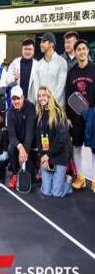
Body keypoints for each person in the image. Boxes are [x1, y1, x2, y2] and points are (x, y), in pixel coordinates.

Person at [65, 39, 95, 189]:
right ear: (75, 53)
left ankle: (94, 179)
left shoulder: (94, 69)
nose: (82, 51)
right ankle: (81, 177)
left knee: (94, 148)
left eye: (84, 49)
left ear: (87, 51)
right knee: (76, 146)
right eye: (79, 49)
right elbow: (67, 95)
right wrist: (68, 116)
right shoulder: (71, 73)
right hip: (76, 116)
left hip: (93, 115)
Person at [36, 86, 72, 197]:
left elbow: (62, 139)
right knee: (46, 192)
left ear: (49, 96)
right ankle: (55, 181)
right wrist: (43, 157)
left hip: (59, 156)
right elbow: (39, 139)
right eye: (39, 96)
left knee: (56, 193)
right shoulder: (40, 115)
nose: (41, 98)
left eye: (44, 95)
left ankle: (68, 183)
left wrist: (48, 155)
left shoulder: (59, 113)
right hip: (47, 156)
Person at [5, 86, 37, 189]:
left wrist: (25, 150)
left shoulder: (30, 108)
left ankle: (35, 168)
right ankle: (15, 174)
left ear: (22, 98)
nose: (16, 101)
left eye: (18, 98)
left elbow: (30, 131)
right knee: (10, 148)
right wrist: (20, 147)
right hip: (18, 143)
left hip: (30, 142)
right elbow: (12, 136)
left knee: (32, 177)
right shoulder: (9, 112)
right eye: (13, 99)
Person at [33, 32, 68, 107]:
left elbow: (60, 87)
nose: (41, 44)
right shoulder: (38, 64)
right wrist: (41, 103)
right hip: (42, 107)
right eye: (40, 42)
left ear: (51, 44)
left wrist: (50, 103)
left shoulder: (62, 62)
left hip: (57, 107)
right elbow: (36, 88)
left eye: (44, 42)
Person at [6, 39, 38, 104]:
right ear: (22, 50)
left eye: (30, 49)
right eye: (25, 49)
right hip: (17, 102)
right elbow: (7, 81)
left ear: (33, 50)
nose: (27, 51)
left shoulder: (37, 65)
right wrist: (14, 78)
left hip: (31, 102)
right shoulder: (14, 63)